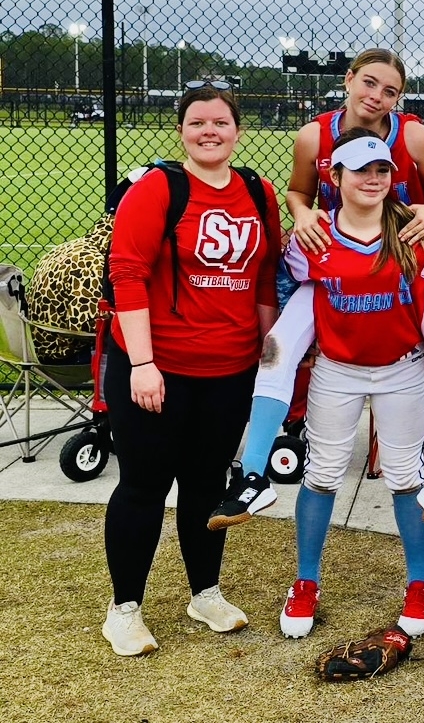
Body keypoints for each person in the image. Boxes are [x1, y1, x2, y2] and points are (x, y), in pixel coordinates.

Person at [212, 48, 424, 530]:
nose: (377, 96)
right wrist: (303, 215)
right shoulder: (315, 135)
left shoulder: (411, 134)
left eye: (390, 91)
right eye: (369, 83)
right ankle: (252, 475)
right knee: (278, 346)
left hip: (403, 253)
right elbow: (298, 193)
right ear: (349, 79)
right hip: (336, 249)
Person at [101, 82, 281, 656]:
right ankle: (124, 608)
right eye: (198, 122)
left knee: (207, 486)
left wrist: (269, 351)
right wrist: (143, 363)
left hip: (228, 371)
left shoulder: (258, 190)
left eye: (220, 122)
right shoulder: (158, 188)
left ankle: (205, 593)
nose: (210, 131)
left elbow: (264, 276)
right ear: (181, 130)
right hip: (158, 370)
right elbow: (127, 274)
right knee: (144, 487)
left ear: (238, 131)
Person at [273, 133, 424, 640]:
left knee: (405, 475)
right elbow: (290, 287)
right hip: (336, 368)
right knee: (322, 473)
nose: (373, 179)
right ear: (334, 177)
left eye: (382, 170)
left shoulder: (415, 228)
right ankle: (305, 581)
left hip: (401, 367)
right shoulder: (316, 234)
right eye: (361, 170)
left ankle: (420, 583)